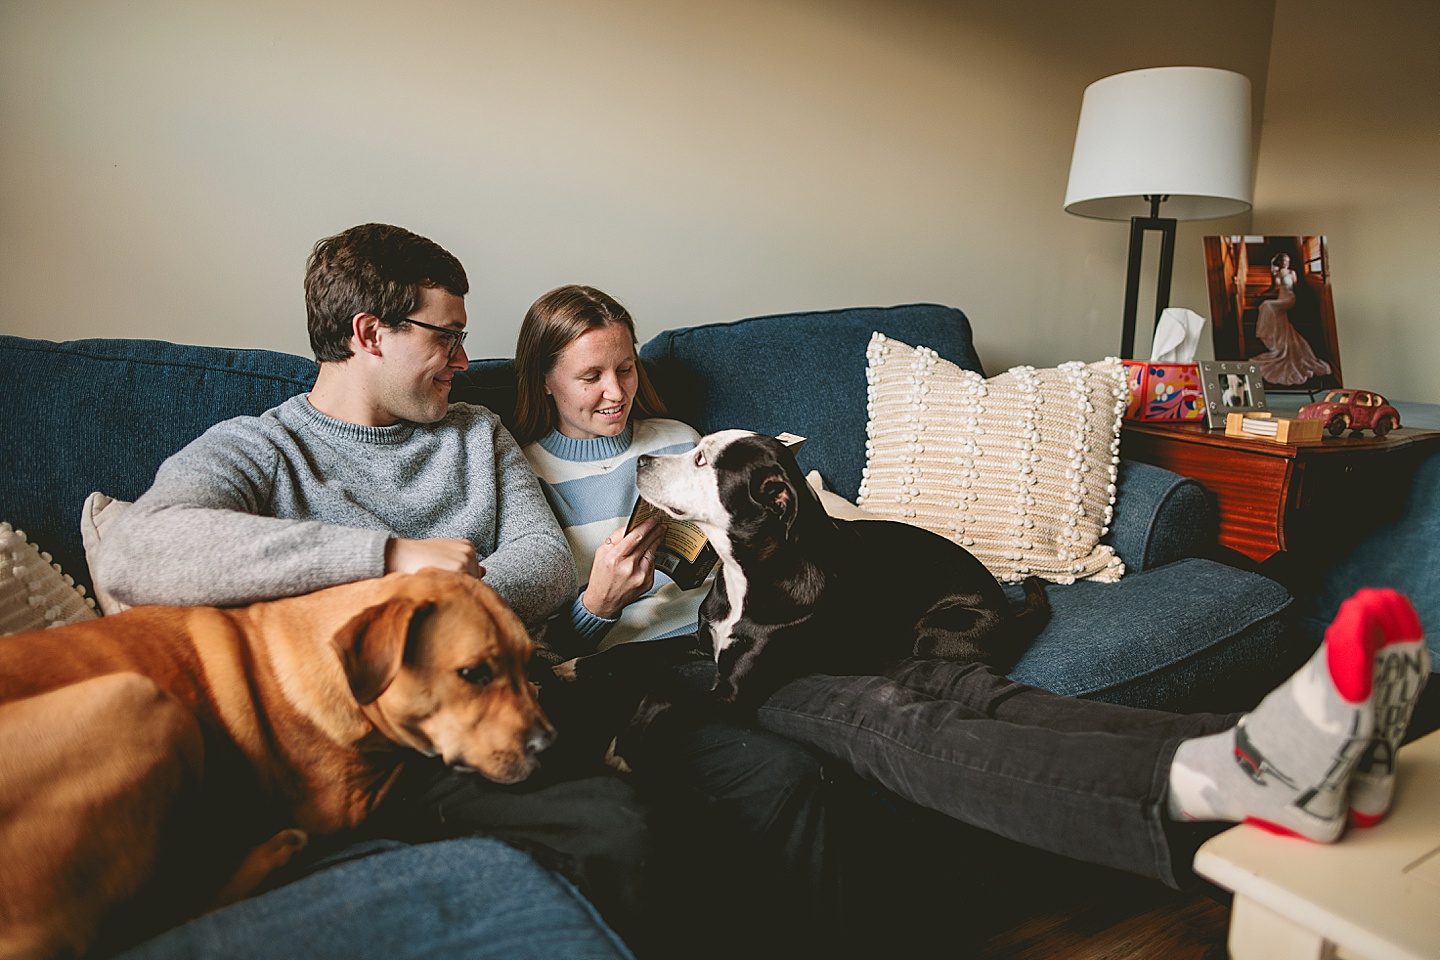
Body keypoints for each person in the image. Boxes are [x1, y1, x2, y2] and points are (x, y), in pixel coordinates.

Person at [93, 224, 652, 950]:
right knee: (617, 828)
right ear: (369, 333)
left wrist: (450, 617)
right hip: (351, 741)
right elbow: (136, 552)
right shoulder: (258, 448)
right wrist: (391, 562)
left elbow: (545, 563)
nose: (463, 359)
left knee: (695, 790)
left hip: (500, 703)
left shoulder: (474, 432)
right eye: (445, 337)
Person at [509, 285, 867, 959]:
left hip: (723, 643)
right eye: (591, 376)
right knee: (785, 771)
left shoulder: (680, 444)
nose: (616, 392)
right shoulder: (523, 474)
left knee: (854, 724)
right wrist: (600, 605)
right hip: (620, 666)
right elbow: (537, 649)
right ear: (546, 380)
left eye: (626, 367)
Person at [1250, 252, 1333, 386]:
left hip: (1289, 299)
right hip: (1280, 298)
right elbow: (1273, 288)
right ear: (1279, 262)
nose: (1286, 263)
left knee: (1266, 305)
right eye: (1284, 261)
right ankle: (1276, 338)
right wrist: (1261, 293)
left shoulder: (1292, 273)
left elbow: (1295, 288)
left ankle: (1266, 333)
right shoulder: (1276, 273)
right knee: (1268, 306)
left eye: (1288, 261)